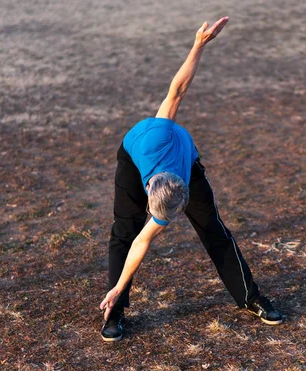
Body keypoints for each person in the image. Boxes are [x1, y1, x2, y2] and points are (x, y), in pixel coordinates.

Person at [99, 16, 283, 342]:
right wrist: (118, 287)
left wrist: (198, 44)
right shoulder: (148, 148)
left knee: (213, 227)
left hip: (182, 159)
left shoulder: (171, 149)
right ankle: (115, 309)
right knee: (125, 230)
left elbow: (178, 90)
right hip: (132, 154)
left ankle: (250, 297)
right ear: (149, 190)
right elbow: (142, 241)